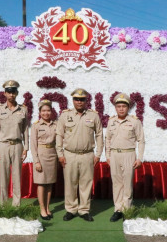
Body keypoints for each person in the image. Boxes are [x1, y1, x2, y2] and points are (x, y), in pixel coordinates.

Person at [56, 88, 103, 222]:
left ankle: (84, 210)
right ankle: (71, 209)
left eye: (82, 99)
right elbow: (59, 135)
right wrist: (60, 154)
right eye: (77, 99)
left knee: (86, 184)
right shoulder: (65, 115)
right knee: (70, 184)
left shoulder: (93, 116)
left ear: (86, 100)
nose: (79, 102)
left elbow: (99, 135)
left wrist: (98, 154)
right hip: (69, 154)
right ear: (73, 100)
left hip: (87, 155)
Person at [105, 93, 145, 222]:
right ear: (115, 108)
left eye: (124, 106)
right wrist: (108, 155)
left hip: (129, 154)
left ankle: (126, 210)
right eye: (119, 106)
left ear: (128, 108)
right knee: (117, 183)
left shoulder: (134, 121)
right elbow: (107, 139)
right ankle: (118, 210)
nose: (121, 109)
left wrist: (139, 158)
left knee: (127, 183)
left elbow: (141, 140)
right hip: (115, 154)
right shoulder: (111, 121)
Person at [0, 80, 29, 207]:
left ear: (17, 93)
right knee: (4, 177)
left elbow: (25, 130)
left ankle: (16, 206)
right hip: (3, 145)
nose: (11, 94)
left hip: (18, 145)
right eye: (9, 92)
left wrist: (26, 148)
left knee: (17, 177)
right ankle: (3, 205)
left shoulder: (23, 110)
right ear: (4, 93)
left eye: (13, 92)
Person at [30, 100, 58, 220]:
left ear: (51, 111)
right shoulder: (36, 125)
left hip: (52, 155)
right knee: (41, 183)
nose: (46, 113)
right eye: (43, 111)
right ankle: (42, 209)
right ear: (40, 112)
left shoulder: (56, 125)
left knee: (49, 183)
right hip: (41, 155)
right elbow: (33, 145)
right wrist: (36, 161)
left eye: (48, 110)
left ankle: (47, 207)